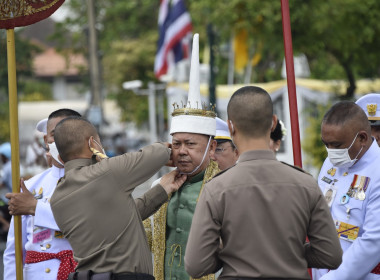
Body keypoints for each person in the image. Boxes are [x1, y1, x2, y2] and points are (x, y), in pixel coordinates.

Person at [185, 86, 343, 279]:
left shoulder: (216, 189)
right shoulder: (305, 183)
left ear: (231, 126)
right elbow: (331, 255)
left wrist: (233, 253)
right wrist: (289, 253)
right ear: (273, 122)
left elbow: (196, 265)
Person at [50, 116, 187, 280]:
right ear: (92, 143)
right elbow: (158, 152)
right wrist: (170, 149)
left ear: (60, 157)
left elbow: (124, 216)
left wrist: (162, 190)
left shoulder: (57, 197)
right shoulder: (107, 172)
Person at [144, 33, 219, 280]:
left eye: (190, 144)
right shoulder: (160, 187)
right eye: (176, 143)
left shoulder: (226, 188)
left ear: (211, 147)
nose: (182, 151)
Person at [4, 109, 82, 280]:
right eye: (55, 134)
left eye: (68, 133)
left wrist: (35, 207)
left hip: (80, 272)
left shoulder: (96, 180)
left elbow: (86, 223)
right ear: (46, 141)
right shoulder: (30, 187)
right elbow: (14, 251)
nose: (62, 139)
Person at [313, 101, 380, 280]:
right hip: (321, 270)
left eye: (336, 145)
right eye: (326, 144)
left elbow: (373, 241)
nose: (330, 152)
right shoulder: (331, 162)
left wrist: (333, 278)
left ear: (362, 138)